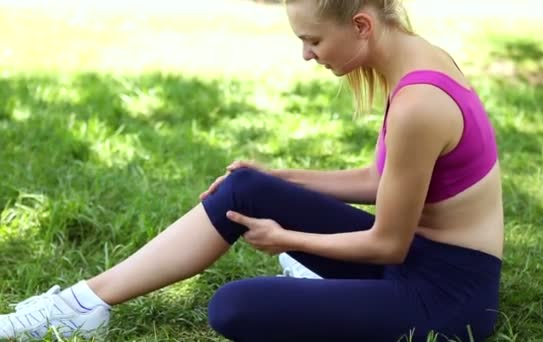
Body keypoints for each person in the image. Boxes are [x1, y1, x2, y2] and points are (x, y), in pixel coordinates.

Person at [0, 0, 504, 341]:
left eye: (313, 41)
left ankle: (324, 284)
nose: (306, 54)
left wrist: (290, 238)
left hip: (447, 295)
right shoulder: (418, 60)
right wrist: (275, 178)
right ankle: (85, 302)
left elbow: (386, 244)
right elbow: (381, 182)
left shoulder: (419, 102)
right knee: (246, 186)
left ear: (361, 26)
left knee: (233, 308)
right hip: (417, 256)